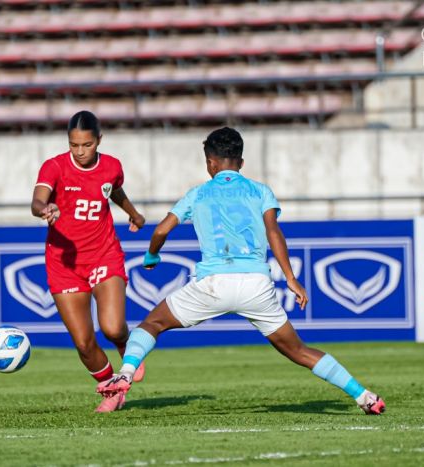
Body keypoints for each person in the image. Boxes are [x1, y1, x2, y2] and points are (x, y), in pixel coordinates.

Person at [98, 127, 386, 415]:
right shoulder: (260, 191)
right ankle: (364, 396)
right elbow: (274, 232)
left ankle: (125, 374)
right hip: (256, 285)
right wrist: (291, 278)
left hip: (212, 284)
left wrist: (152, 255)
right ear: (241, 162)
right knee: (298, 350)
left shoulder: (197, 194)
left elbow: (161, 230)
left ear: (210, 162)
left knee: (151, 325)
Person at [31, 110, 147, 413]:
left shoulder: (111, 166)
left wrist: (132, 213)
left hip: (103, 253)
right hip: (64, 263)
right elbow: (37, 200)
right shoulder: (54, 166)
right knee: (83, 342)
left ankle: (126, 345)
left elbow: (113, 190)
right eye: (74, 145)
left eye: (86, 145)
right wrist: (44, 209)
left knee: (111, 328)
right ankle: (113, 389)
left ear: (99, 141)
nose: (80, 152)